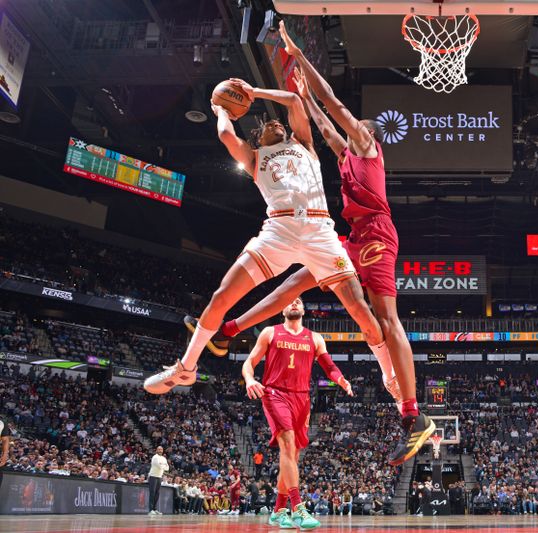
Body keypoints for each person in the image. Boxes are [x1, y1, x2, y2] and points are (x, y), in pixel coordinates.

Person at [182, 21, 435, 467]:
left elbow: (334, 107)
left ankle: (412, 413)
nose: (351, 129)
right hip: (348, 236)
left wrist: (299, 58)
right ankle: (229, 331)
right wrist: (304, 95)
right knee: (291, 287)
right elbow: (321, 120)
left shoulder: (368, 148)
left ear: (368, 134)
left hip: (376, 233)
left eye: (359, 128)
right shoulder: (346, 154)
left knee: (383, 316)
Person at [143, 72, 383, 405]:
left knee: (359, 308)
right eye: (270, 126)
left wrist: (254, 92)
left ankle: (393, 379)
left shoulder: (303, 144)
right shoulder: (254, 158)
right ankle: (186, 367)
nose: (276, 125)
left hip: (318, 230)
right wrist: (221, 109)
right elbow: (227, 136)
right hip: (278, 231)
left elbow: (296, 102)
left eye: (280, 125)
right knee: (222, 296)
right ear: (259, 136)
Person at [243, 296, 353, 530]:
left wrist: (341, 380)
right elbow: (250, 361)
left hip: (302, 398)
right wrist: (250, 379)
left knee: (293, 456)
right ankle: (299, 509)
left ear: (304, 309)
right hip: (274, 393)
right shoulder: (270, 333)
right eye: (289, 301)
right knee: (287, 443)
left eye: (299, 301)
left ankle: (278, 511)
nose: (294, 303)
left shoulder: (314, 338)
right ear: (282, 309)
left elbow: (328, 366)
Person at [148, 446, 169, 515]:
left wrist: (163, 466)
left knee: (157, 494)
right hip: (153, 476)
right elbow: (158, 466)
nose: (160, 450)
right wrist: (163, 466)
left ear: (162, 450)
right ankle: (150, 510)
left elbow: (167, 468)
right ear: (156, 450)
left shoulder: (164, 458)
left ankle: (155, 509)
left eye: (161, 449)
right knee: (152, 493)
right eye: (159, 449)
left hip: (159, 477)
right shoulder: (155, 457)